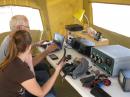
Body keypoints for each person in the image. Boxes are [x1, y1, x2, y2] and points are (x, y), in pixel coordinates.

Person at [0, 15, 58, 97]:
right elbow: (28, 65)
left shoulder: (11, 39)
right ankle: (48, 91)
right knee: (45, 77)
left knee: (44, 66)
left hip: (12, 82)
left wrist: (35, 44)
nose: (29, 29)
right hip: (16, 87)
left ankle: (45, 87)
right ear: (19, 27)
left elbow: (22, 54)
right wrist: (47, 52)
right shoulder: (15, 61)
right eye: (28, 27)